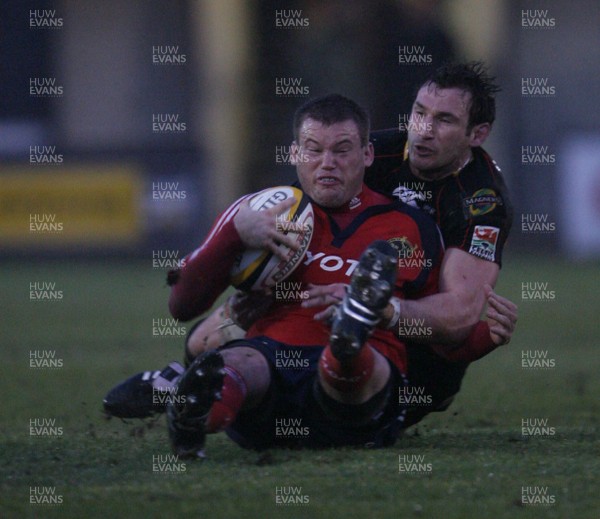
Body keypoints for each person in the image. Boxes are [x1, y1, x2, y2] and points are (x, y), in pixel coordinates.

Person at [163, 93, 448, 457]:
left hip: (360, 401)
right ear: (295, 154)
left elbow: (439, 325)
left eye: (342, 150)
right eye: (313, 150)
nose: (327, 163)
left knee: (347, 364)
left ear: (367, 155)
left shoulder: (411, 226)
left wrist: (389, 311)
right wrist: (233, 233)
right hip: (271, 371)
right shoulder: (259, 213)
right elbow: (181, 305)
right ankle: (195, 415)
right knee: (236, 363)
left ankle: (351, 331)